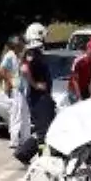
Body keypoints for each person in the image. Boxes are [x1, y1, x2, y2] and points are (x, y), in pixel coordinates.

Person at [15, 22, 55, 164]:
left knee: (42, 129)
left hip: (41, 97)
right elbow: (24, 69)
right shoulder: (33, 51)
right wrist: (35, 84)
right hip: (39, 98)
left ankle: (25, 153)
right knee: (43, 132)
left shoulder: (33, 50)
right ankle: (40, 159)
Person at [0, 35, 29, 150]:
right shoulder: (10, 55)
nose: (22, 46)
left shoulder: (19, 55)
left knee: (25, 113)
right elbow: (1, 70)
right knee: (16, 114)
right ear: (16, 45)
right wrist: (9, 82)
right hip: (16, 88)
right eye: (21, 44)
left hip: (22, 87)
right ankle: (14, 140)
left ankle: (26, 138)